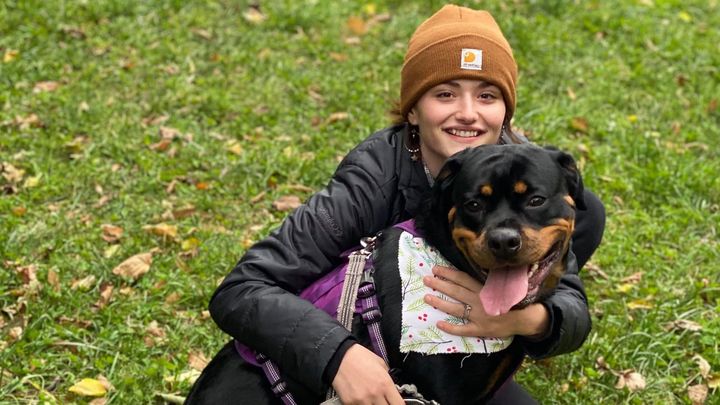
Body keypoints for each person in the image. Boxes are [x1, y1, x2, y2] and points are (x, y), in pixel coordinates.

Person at [186, 4, 605, 404]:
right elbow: (240, 290)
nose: (467, 114)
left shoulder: (539, 176)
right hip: (318, 363)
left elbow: (570, 303)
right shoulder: (371, 179)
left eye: (486, 96)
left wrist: (523, 320)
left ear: (505, 113)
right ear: (413, 112)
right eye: (445, 94)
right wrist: (340, 357)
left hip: (446, 349)